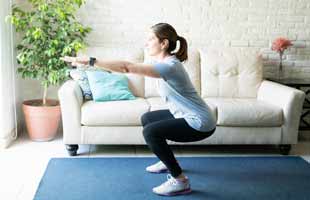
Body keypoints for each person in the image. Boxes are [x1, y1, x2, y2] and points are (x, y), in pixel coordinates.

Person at [61, 22, 216, 196]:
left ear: (163, 43)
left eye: (150, 39)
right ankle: (167, 161)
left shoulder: (170, 66)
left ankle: (181, 181)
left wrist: (91, 61)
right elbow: (126, 64)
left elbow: (127, 68)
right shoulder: (163, 62)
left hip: (200, 122)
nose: (146, 43)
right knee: (147, 119)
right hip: (188, 115)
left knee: (151, 132)